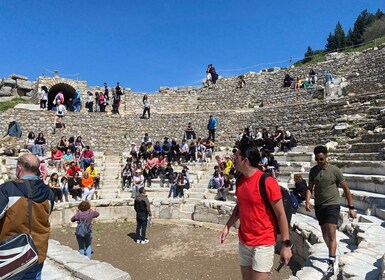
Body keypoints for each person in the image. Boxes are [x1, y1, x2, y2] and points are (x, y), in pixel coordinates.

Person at [219, 140, 292, 280]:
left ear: (245, 160)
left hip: (263, 242)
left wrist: (286, 244)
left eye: (237, 158)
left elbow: (281, 214)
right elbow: (240, 206)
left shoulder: (267, 182)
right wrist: (227, 226)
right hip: (244, 240)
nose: (234, 160)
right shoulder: (240, 180)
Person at [0, 154, 55, 278]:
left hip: (10, 254)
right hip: (36, 253)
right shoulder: (49, 194)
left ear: (19, 168)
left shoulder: (7, 190)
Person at [306, 145, 356, 276]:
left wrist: (351, 207)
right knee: (324, 234)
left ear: (326, 157)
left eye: (321, 158)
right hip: (319, 206)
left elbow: (346, 188)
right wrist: (307, 201)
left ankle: (330, 262)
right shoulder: (313, 171)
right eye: (317, 159)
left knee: (331, 232)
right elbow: (309, 188)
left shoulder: (335, 170)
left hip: (333, 205)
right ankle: (332, 253)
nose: (319, 161)